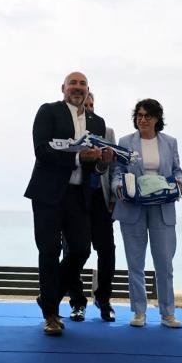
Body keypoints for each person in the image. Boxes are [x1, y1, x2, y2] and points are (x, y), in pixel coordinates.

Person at [24, 71, 112, 335]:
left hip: (78, 196)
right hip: (48, 194)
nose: (77, 87)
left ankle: (48, 296)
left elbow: (94, 167)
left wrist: (101, 163)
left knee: (81, 250)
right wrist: (77, 159)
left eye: (82, 84)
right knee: (49, 251)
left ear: (88, 90)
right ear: (63, 88)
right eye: (73, 83)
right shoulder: (48, 111)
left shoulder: (98, 122)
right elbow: (42, 151)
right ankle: (51, 314)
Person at [113, 99, 182, 328]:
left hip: (162, 208)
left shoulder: (170, 142)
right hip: (133, 207)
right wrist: (118, 187)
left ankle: (168, 313)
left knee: (164, 263)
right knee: (135, 263)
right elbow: (118, 171)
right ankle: (139, 312)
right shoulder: (125, 142)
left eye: (147, 116)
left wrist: (179, 186)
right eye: (139, 115)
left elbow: (178, 172)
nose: (142, 120)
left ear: (157, 118)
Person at [65, 91, 117, 322]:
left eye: (92, 104)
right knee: (74, 250)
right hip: (74, 198)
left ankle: (104, 299)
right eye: (86, 105)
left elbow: (115, 165)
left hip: (99, 197)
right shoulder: (67, 130)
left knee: (107, 249)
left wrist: (114, 198)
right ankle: (77, 302)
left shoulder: (106, 130)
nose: (89, 108)